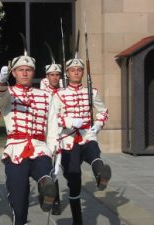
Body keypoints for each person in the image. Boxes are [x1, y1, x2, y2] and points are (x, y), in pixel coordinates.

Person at [0, 52, 60, 225]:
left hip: (40, 148)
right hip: (16, 149)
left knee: (45, 176)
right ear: (13, 73)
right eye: (20, 70)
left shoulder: (46, 96)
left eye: (28, 70)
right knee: (19, 199)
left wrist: (53, 152)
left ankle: (47, 190)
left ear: (33, 73)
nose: (24, 73)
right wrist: (1, 81)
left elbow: (52, 126)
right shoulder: (9, 93)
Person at [53, 57, 111, 225]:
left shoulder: (91, 92)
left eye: (79, 70)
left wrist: (98, 125)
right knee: (74, 179)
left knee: (94, 152)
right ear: (68, 74)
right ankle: (77, 220)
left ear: (83, 73)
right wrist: (69, 122)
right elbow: (52, 117)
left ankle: (101, 176)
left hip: (86, 134)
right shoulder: (59, 94)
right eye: (73, 70)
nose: (76, 72)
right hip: (68, 139)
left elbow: (103, 110)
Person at [40, 62, 63, 215]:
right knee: (45, 166)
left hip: (61, 133)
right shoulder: (42, 92)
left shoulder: (64, 92)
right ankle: (48, 197)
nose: (55, 77)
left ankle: (55, 200)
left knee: (56, 169)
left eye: (57, 75)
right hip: (44, 134)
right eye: (52, 75)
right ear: (47, 77)